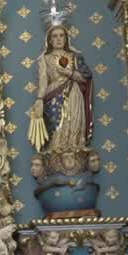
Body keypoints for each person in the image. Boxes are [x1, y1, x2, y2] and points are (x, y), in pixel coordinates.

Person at [31, 21, 93, 157]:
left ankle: (76, 146)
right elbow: (43, 82)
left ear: (66, 38)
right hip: (53, 94)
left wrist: (68, 73)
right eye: (54, 36)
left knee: (74, 121)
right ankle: (56, 148)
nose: (58, 39)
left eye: (61, 36)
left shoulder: (75, 56)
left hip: (74, 93)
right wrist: (39, 100)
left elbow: (85, 78)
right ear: (49, 40)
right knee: (56, 125)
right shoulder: (44, 59)